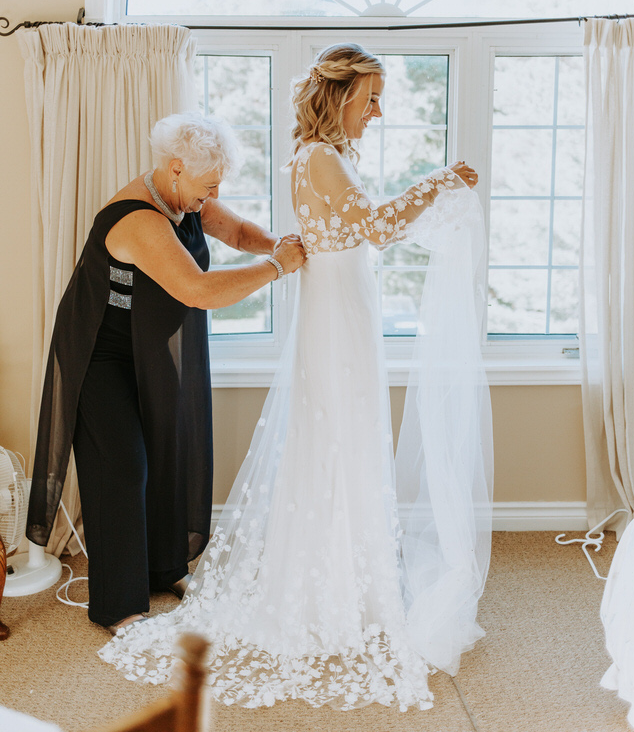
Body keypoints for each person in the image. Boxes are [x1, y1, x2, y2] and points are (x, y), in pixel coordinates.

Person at [99, 47, 492, 710]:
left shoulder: (321, 158)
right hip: (336, 314)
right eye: (369, 97)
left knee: (349, 437)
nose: (377, 110)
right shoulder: (318, 158)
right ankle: (335, 590)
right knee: (339, 436)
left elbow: (327, 233)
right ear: (338, 98)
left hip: (344, 308)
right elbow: (379, 229)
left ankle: (355, 580)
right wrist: (440, 181)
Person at [26, 112, 305, 633]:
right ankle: (117, 606)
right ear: (176, 168)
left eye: (217, 186)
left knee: (164, 451)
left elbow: (239, 231)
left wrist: (279, 245)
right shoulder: (138, 219)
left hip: (144, 347)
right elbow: (198, 290)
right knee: (123, 466)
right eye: (208, 186)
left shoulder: (184, 195)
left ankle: (163, 568)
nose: (212, 196)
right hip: (98, 353)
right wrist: (277, 269)